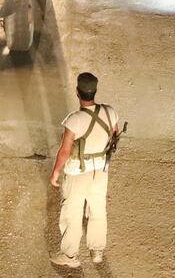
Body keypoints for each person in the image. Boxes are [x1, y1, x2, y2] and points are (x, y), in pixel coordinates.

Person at [50, 72, 120, 268]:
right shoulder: (110, 112)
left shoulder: (74, 120)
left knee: (72, 213)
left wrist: (55, 172)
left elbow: (64, 151)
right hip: (100, 171)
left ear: (77, 92)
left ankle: (70, 256)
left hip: (77, 173)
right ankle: (97, 250)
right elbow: (114, 136)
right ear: (95, 91)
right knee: (98, 210)